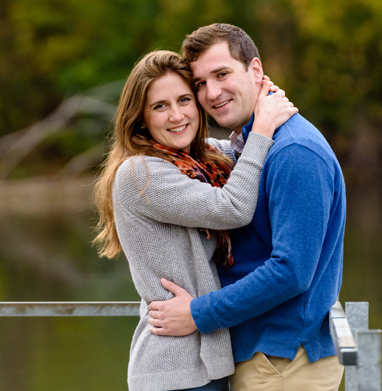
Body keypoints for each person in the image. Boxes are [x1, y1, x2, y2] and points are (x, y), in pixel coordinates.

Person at [145, 24, 348, 391]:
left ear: (255, 71)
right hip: (263, 358)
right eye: (201, 83)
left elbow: (291, 271)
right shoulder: (252, 142)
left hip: (283, 365)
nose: (212, 92)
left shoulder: (294, 152)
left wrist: (198, 313)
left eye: (222, 74)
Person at [95, 50, 297, 391]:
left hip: (207, 364)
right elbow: (232, 207)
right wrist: (263, 127)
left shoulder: (202, 160)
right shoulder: (140, 173)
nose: (177, 115)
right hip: (173, 367)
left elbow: (241, 154)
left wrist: (260, 96)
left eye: (185, 100)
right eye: (160, 106)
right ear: (141, 117)